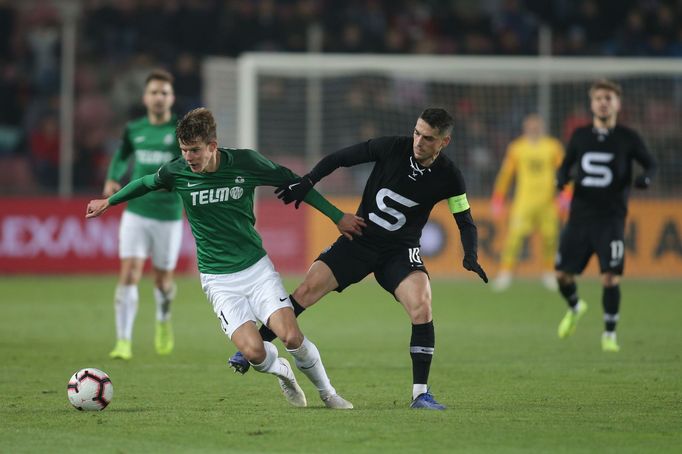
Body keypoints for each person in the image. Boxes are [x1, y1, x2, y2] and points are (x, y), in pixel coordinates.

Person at [87, 107, 363, 409]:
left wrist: (337, 216)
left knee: (290, 335)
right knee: (255, 353)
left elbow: (295, 183)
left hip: (256, 269)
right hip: (218, 280)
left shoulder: (246, 162)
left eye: (194, 150)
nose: (188, 157)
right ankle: (283, 373)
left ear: (212, 146)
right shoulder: (176, 171)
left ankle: (328, 394)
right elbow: (145, 182)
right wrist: (109, 202)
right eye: (183, 150)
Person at [229, 108, 488, 410]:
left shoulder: (450, 176)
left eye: (428, 138)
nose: (418, 141)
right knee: (305, 292)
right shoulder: (392, 147)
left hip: (399, 251)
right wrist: (309, 180)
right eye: (417, 132)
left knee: (422, 307)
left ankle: (420, 395)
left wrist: (470, 254)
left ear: (444, 142)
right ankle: (252, 349)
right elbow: (340, 157)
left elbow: (465, 219)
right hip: (359, 240)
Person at [555, 79, 657, 352]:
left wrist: (646, 177)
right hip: (579, 218)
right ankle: (576, 307)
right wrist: (561, 178)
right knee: (562, 275)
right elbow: (565, 166)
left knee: (611, 276)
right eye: (599, 98)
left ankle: (609, 334)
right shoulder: (580, 136)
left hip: (611, 219)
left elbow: (651, 163)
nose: (603, 102)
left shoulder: (628, 137)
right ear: (592, 103)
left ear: (617, 104)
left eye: (608, 98)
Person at [103, 69, 183, 361]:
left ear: (171, 98)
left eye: (164, 92)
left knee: (162, 280)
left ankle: (163, 319)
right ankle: (123, 341)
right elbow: (122, 155)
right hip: (136, 212)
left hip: (169, 215)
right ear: (145, 97)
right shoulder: (134, 129)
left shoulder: (179, 131)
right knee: (129, 274)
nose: (159, 97)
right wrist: (113, 178)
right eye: (154, 92)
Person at [490, 113, 566, 292]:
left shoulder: (553, 147)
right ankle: (505, 273)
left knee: (550, 238)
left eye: (536, 126)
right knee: (514, 238)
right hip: (524, 202)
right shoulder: (517, 148)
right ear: (525, 128)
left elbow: (565, 171)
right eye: (530, 126)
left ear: (542, 127)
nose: (534, 129)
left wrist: (566, 194)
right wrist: (499, 197)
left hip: (548, 203)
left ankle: (549, 274)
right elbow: (506, 174)